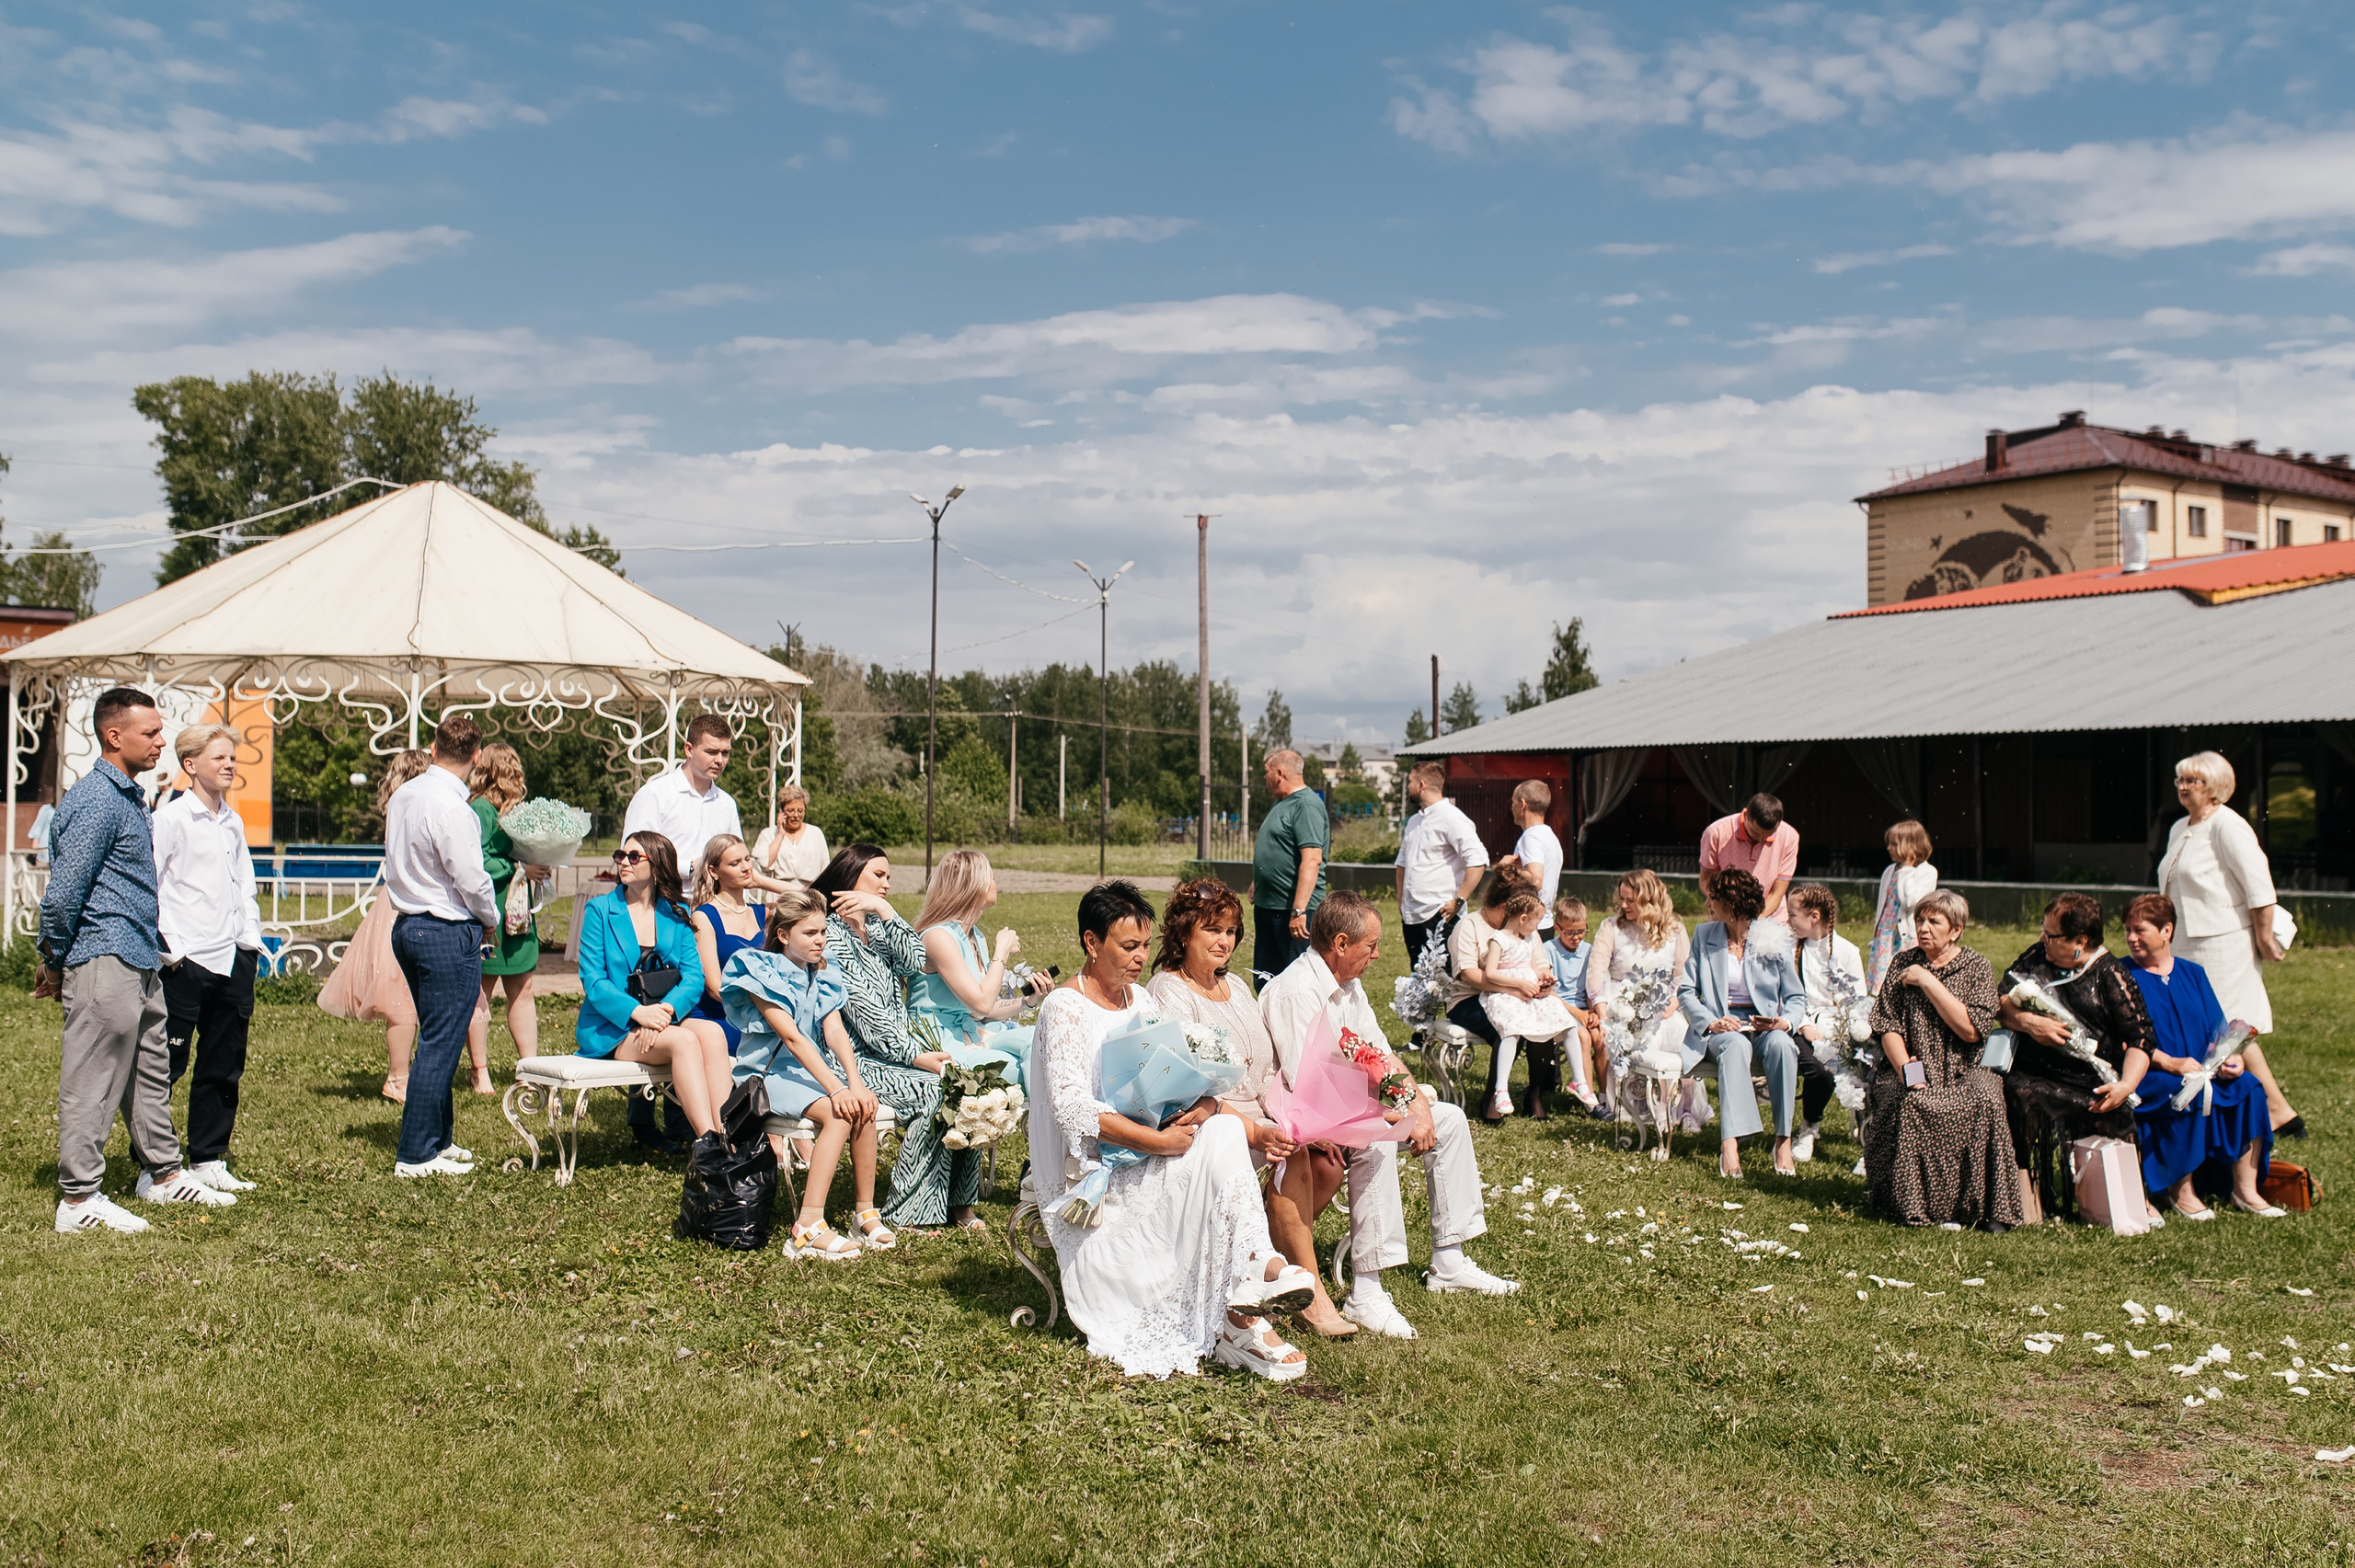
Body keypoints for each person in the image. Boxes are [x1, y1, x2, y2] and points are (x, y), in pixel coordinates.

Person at [1028, 879, 1316, 1380]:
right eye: (1128, 946)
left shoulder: (1141, 1001)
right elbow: (1073, 1111)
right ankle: (1246, 1308)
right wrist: (1159, 1141)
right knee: (1222, 1139)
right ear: (1092, 943)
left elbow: (1180, 1079)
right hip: (1096, 1180)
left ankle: (1257, 1269)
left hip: (1149, 1152)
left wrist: (1206, 1105)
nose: (1141, 958)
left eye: (1144, 945)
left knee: (1225, 1133)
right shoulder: (1065, 1007)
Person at [1262, 891, 1517, 1339]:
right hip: (1308, 1120)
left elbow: (1378, 1050)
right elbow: (1309, 1084)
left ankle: (1450, 1262)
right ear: (1340, 944)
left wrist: (1415, 1104)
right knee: (1379, 1137)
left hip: (1351, 1107)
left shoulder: (1349, 985)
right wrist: (1395, 1112)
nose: (1378, 955)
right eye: (1371, 946)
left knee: (1451, 1120)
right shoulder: (1295, 991)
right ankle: (1367, 1291)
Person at [42, 688, 232, 1230]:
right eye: (149, 733)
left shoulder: (127, 796)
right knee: (93, 1079)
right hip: (103, 955)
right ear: (113, 736)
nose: (160, 741)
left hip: (139, 954)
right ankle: (78, 1201)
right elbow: (62, 894)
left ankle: (164, 1175)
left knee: (149, 1070)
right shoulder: (99, 800)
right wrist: (53, 959)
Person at [1145, 879, 1348, 1337]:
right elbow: (1183, 1088)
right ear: (1183, 934)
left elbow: (1271, 1062)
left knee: (1328, 1166)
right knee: (1293, 1156)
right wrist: (1260, 1133)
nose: (1225, 941)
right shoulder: (1168, 990)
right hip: (1210, 1121)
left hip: (1266, 1113)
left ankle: (1257, 1263)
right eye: (1212, 930)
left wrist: (1304, 1121)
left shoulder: (1235, 985)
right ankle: (1309, 1294)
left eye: (1232, 931)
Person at [812, 843, 976, 1230]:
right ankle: (910, 1210)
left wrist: (885, 912)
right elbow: (865, 1015)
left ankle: (958, 1201)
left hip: (892, 1054)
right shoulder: (832, 938)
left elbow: (913, 959)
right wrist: (915, 1056)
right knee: (934, 1092)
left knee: (962, 1084)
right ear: (851, 877)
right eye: (878, 876)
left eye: (888, 877)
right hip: (853, 1062)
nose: (886, 883)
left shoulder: (873, 928)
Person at [721, 887, 889, 1259]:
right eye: (810, 933)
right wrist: (835, 1089)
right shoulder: (758, 969)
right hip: (767, 1076)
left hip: (810, 1070)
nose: (820, 940)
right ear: (783, 935)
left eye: (824, 931)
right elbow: (792, 1037)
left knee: (862, 1104)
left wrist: (854, 1082)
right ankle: (808, 1226)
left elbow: (835, 1031)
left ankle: (864, 1212)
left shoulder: (823, 972)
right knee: (837, 1112)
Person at [383, 713, 504, 1178]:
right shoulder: (456, 808)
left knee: (441, 1035)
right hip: (445, 928)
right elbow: (471, 879)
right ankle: (415, 1153)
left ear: (433, 749)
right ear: (476, 757)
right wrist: (490, 919)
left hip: (407, 924)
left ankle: (440, 1138)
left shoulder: (405, 794)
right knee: (440, 1040)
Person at [145, 722, 264, 1194]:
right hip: (186, 962)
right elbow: (149, 888)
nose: (230, 765)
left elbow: (245, 886)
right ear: (190, 765)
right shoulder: (169, 820)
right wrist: (172, 953)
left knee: (223, 1063)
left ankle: (208, 1157)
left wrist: (248, 941)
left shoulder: (232, 822)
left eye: (232, 757)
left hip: (233, 958)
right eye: (220, 758)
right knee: (167, 1066)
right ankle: (152, 1164)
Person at [2158, 750, 2301, 1135]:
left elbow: (2260, 889)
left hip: (2223, 943)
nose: (2184, 788)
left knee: (2229, 1029)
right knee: (2216, 1031)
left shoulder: (2228, 825)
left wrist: (2265, 937)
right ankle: (2273, 1109)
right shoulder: (2180, 828)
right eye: (2180, 781)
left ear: (2215, 786)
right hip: (2186, 942)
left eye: (2193, 782)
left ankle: (2271, 1109)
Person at [1861, 889, 2021, 1231]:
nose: (1923, 928)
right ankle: (1914, 1206)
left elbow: (1971, 1030)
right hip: (1910, 1063)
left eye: (1934, 922)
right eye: (1920, 920)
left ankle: (1987, 1209)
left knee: (1986, 1097)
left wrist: (1928, 981)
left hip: (1963, 1067)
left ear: (1956, 930)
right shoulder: (1903, 962)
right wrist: (1909, 1071)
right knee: (1911, 1100)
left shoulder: (1976, 967)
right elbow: (1887, 1025)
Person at [2121, 893, 2283, 1220]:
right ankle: (2180, 1189)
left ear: (2167, 931)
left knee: (2249, 1087)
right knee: (2183, 1090)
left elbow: (2217, 1029)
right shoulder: (2121, 974)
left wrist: (2228, 1060)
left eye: (2140, 930)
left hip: (2203, 1070)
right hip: (2153, 1072)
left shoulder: (2193, 973)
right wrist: (2171, 1063)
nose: (2131, 938)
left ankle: (2245, 1189)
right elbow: (2120, 1039)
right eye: (2128, 930)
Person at [1996, 892, 2157, 1221]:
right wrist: (2029, 1022)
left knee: (2114, 1110)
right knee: (2014, 1091)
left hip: (2089, 1078)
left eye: (2051, 935)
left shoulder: (2110, 975)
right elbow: (2000, 1001)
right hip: (2035, 1068)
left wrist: (2126, 1085)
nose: (2043, 939)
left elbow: (2141, 1038)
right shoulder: (2037, 957)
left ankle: (2123, 1196)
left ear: (2080, 941)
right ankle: (2026, 1202)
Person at [571, 831, 733, 1140]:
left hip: (663, 1015)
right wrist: (638, 1014)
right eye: (621, 855)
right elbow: (593, 981)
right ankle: (708, 1144)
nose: (624, 863)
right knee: (684, 1042)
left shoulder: (676, 914)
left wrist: (664, 1012)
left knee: (712, 1032)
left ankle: (729, 1138)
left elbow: (693, 977)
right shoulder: (600, 911)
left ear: (657, 867)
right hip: (611, 1026)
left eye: (634, 857)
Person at [1677, 868, 1808, 1179]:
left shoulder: (1772, 938)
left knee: (1783, 1046)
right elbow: (1686, 991)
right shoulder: (1704, 935)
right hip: (1721, 1030)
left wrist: (1784, 1023)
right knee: (1734, 1044)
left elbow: (1796, 998)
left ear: (1731, 905)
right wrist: (1711, 1023)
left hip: (1762, 1027)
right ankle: (1730, 1144)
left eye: (1713, 898)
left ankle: (1783, 1139)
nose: (1708, 903)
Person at [321, 749, 432, 1103]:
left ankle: (404, 1074)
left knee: (402, 992)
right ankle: (398, 1078)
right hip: (407, 903)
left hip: (393, 900)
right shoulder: (415, 810)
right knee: (401, 993)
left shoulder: (395, 808)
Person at [911, 850, 1048, 1070]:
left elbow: (983, 1008)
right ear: (974, 885)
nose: (995, 884)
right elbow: (982, 1005)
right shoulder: (938, 937)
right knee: (1024, 1069)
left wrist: (1028, 1001)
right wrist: (1001, 951)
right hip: (942, 1042)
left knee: (1042, 1039)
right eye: (992, 878)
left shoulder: (975, 935)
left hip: (972, 1031)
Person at [1586, 869, 1694, 1142]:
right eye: (1622, 899)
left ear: (1649, 901)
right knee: (1643, 1036)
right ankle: (1636, 1108)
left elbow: (1683, 975)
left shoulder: (1675, 930)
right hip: (1621, 1003)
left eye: (1630, 900)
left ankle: (1681, 1109)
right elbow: (1596, 971)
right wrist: (1602, 1007)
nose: (1623, 905)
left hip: (1662, 1003)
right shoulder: (1612, 927)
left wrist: (1673, 1001)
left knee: (1680, 1034)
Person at [466, 741, 549, 1090]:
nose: (516, 773)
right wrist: (518, 867)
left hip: (518, 914)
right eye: (511, 768)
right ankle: (479, 1069)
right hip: (490, 911)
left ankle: (527, 1067)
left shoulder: (517, 810)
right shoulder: (481, 809)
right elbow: (475, 859)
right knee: (480, 991)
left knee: (523, 988)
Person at [1476, 890, 1580, 1122]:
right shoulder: (1499, 939)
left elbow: (1535, 967)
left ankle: (1579, 1080)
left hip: (1528, 994)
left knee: (1562, 1019)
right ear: (1522, 919)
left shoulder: (1530, 939)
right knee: (1511, 1030)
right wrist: (1520, 983)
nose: (1536, 928)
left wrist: (1543, 978)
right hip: (1505, 994)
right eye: (1535, 923)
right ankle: (1500, 1090)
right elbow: (1491, 973)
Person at [1447, 868, 1539, 1124]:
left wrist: (1541, 978)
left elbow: (1538, 960)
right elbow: (1468, 974)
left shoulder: (1523, 927)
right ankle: (1491, 1101)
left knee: (1542, 1022)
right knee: (1508, 1027)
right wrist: (1513, 987)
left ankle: (1536, 1095)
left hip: (1514, 997)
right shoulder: (1470, 926)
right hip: (1468, 1000)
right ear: (1503, 907)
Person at [1786, 883, 1865, 1164]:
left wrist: (1842, 1033)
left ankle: (1869, 1133)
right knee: (1820, 1070)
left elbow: (1856, 1001)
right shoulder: (1792, 950)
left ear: (1814, 917)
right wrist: (1805, 1025)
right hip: (1800, 1024)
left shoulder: (1847, 951)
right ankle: (1810, 1126)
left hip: (1838, 1028)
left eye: (1793, 915)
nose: (1789, 921)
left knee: (1860, 1066)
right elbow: (1788, 995)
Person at [1393, 761, 1488, 964]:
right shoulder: (1414, 821)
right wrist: (1401, 899)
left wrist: (1458, 900)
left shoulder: (1452, 818)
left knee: (1445, 981)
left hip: (1441, 915)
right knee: (1420, 978)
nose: (1408, 786)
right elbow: (1402, 863)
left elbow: (1478, 861)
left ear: (1421, 785)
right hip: (1412, 915)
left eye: (1410, 781)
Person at [1248, 749, 1328, 984]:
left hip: (1293, 914)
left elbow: (1312, 859)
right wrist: (1258, 880)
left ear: (1280, 773)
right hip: (1269, 907)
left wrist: (1298, 911)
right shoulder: (1282, 803)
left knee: (1296, 983)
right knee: (1266, 979)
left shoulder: (1306, 806)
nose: (1265, 778)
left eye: (1267, 772)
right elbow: (1279, 847)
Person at [689, 834, 765, 1054]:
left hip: (758, 1014)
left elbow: (812, 900)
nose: (745, 868)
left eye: (747, 859)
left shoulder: (760, 912)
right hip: (720, 1017)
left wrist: (762, 882)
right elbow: (714, 987)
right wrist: (764, 1010)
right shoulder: (704, 916)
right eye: (735, 863)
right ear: (714, 871)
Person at [1698, 792, 1799, 924]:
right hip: (1726, 918)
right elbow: (1706, 881)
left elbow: (1777, 893)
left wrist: (1754, 921)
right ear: (1746, 816)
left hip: (1772, 921)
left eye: (1768, 834)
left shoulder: (1789, 837)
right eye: (1756, 833)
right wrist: (1730, 911)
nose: (1762, 839)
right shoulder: (1716, 832)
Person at [1545, 895, 1605, 1115]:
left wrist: (1594, 1012)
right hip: (1560, 1010)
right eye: (1570, 933)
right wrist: (1577, 1014)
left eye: (1581, 931)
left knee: (1601, 1037)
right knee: (1583, 1036)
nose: (1576, 938)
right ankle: (1589, 1099)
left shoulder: (1589, 951)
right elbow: (1549, 993)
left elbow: (1592, 985)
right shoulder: (1548, 950)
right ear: (1557, 928)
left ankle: (1605, 1096)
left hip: (1583, 1009)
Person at [1867, 819, 1937, 991]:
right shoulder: (1890, 871)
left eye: (1894, 844)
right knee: (1883, 984)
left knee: (1904, 980)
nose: (1889, 848)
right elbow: (1883, 907)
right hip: (1887, 936)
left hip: (1906, 937)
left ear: (1909, 846)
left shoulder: (1927, 872)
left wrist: (1906, 870)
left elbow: (1911, 902)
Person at [1495, 781, 1564, 933]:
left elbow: (1536, 880)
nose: (1511, 807)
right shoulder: (1550, 836)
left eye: (1513, 802)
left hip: (1528, 927)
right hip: (1544, 923)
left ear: (1522, 804)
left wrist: (1505, 868)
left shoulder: (1531, 837)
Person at [750, 783, 829, 897]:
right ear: (782, 811)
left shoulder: (816, 833)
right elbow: (766, 864)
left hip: (810, 895)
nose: (796, 815)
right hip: (780, 895)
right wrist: (780, 834)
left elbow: (825, 868)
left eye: (800, 811)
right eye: (791, 810)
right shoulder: (768, 834)